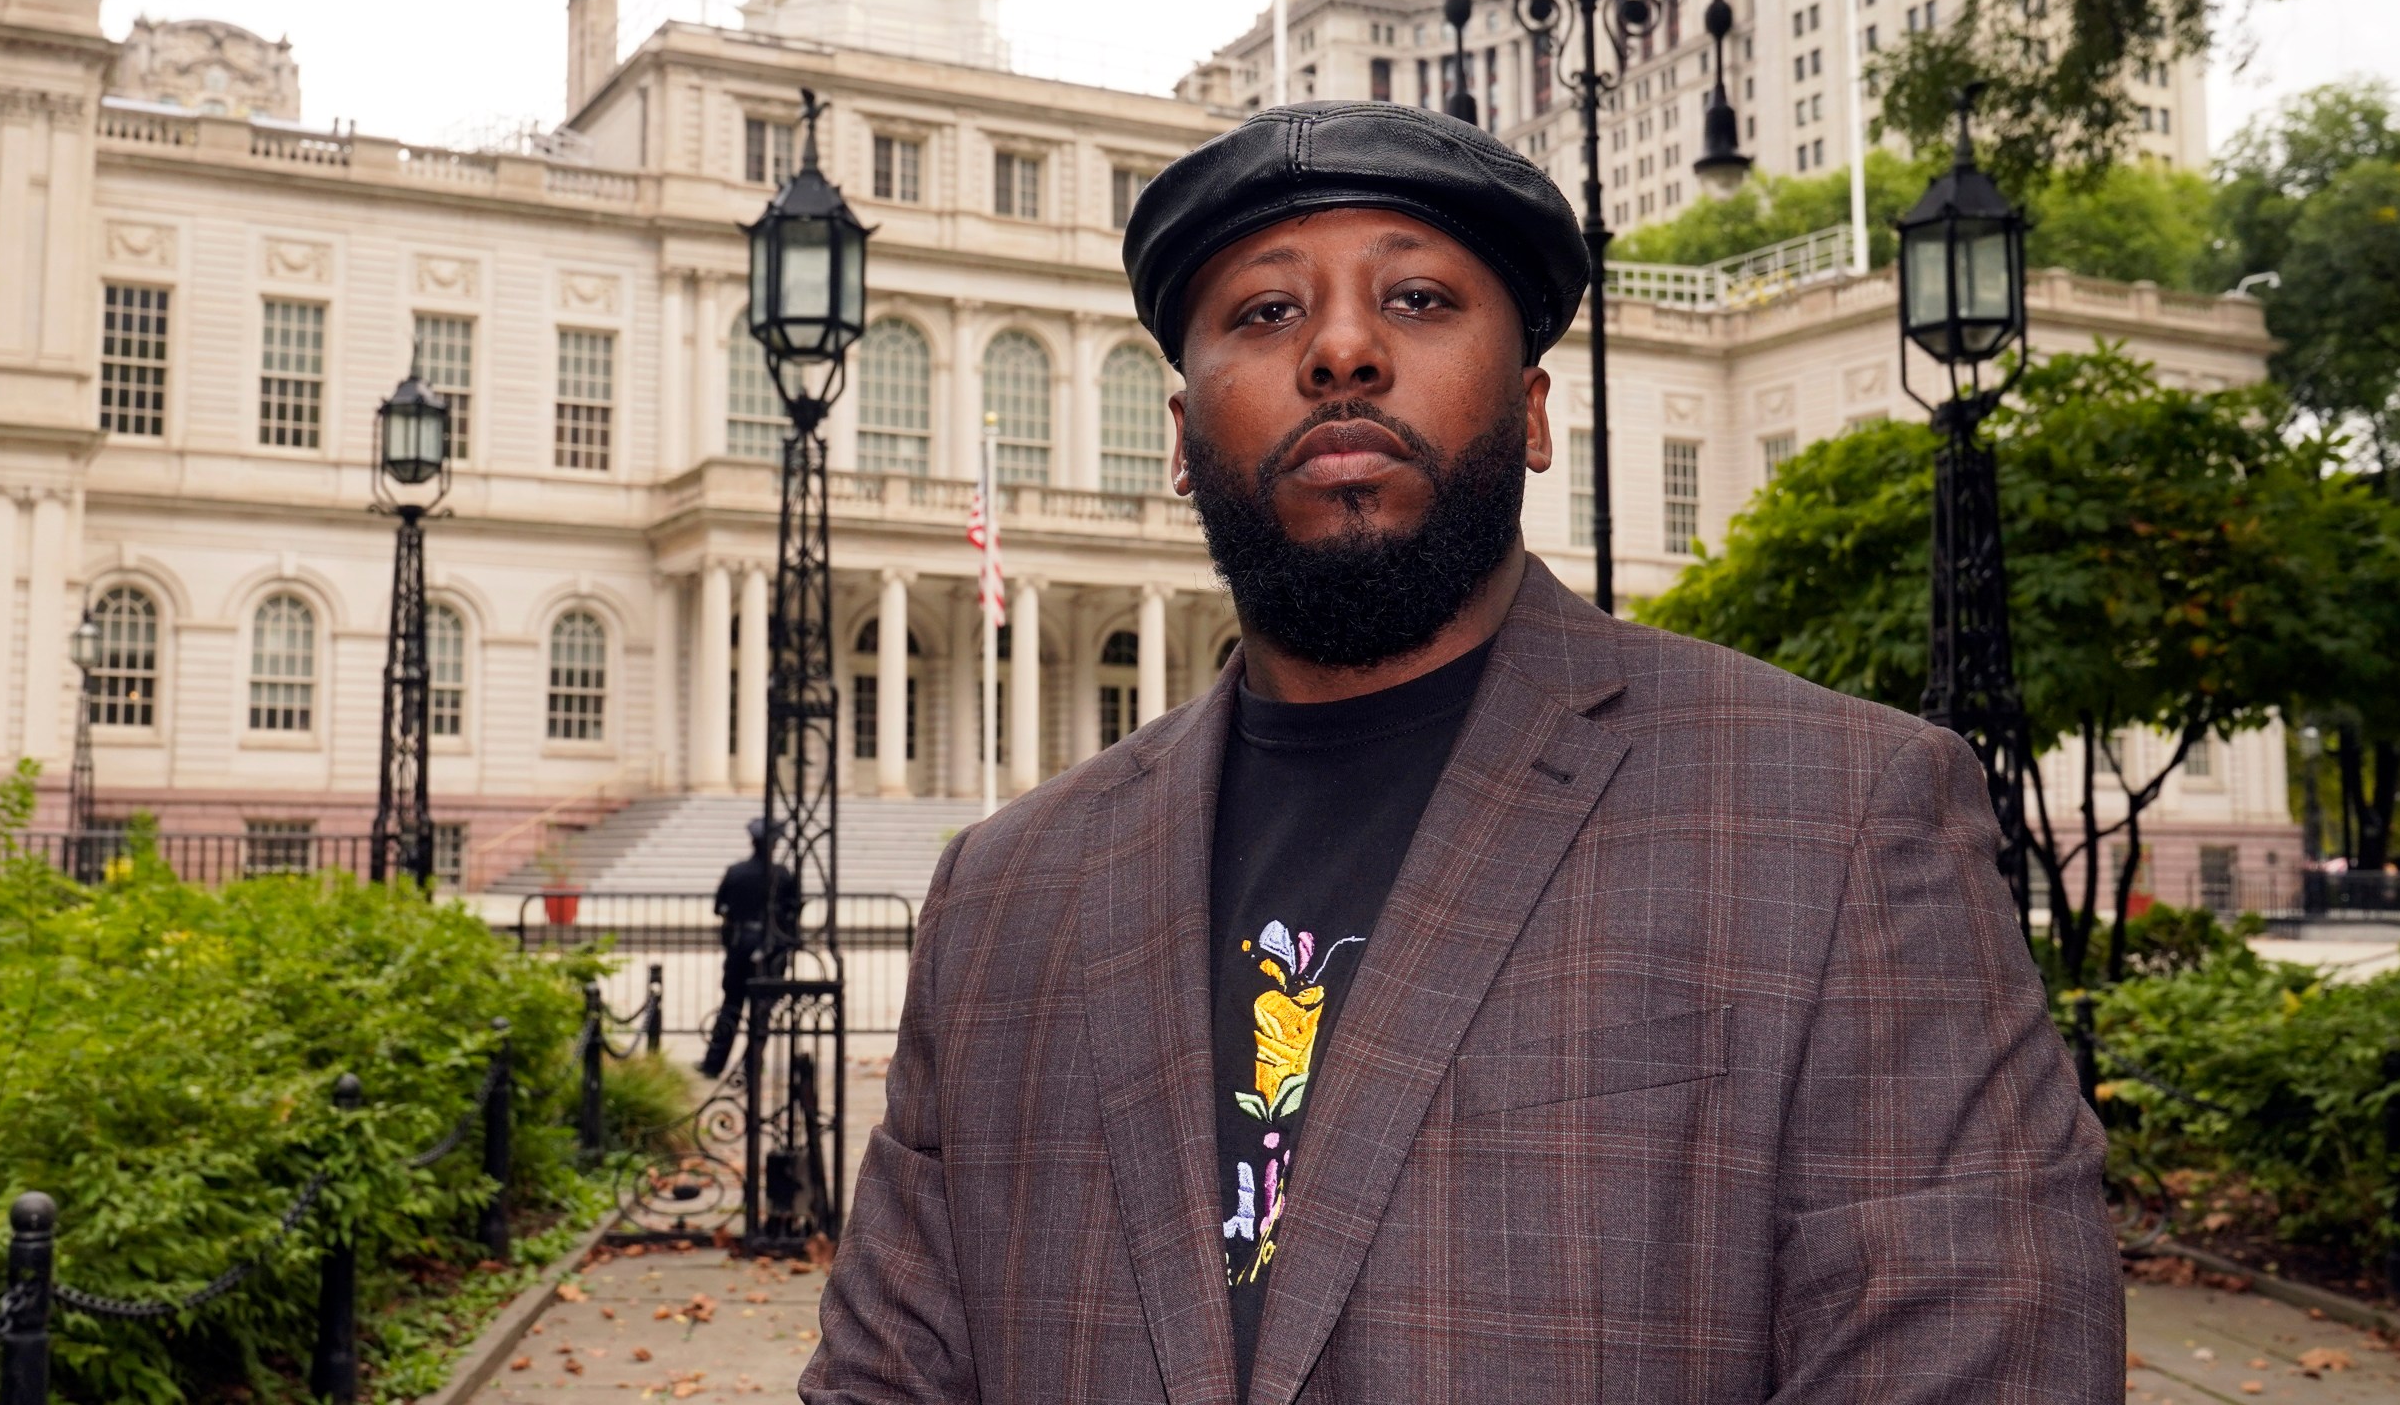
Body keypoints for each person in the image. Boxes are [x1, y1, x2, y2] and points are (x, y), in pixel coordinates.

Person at [804, 102, 2120, 1403]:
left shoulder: (1837, 817)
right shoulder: (1005, 892)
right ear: (1181, 444)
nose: (1340, 347)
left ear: (1536, 416)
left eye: (1421, 299)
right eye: (1265, 312)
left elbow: (1977, 1370)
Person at [701, 817, 798, 1079]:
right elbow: (792, 914)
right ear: (775, 844)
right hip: (771, 948)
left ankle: (713, 1063)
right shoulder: (782, 875)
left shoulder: (736, 872)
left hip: (741, 944)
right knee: (762, 1010)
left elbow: (719, 907)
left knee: (731, 1005)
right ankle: (751, 1066)